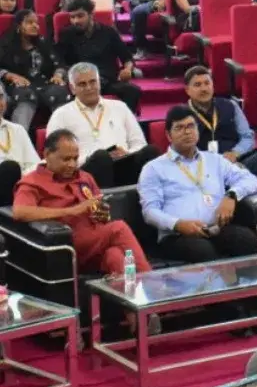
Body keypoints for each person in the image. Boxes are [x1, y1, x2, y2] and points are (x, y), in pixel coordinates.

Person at [14, 129, 152, 296]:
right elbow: (20, 211)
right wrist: (71, 210)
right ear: (47, 154)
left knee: (115, 257)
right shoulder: (32, 182)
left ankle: (141, 317)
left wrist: (103, 214)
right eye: (66, 159)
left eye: (75, 159)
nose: (72, 164)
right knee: (118, 228)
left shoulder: (85, 177)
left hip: (95, 245)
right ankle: (153, 286)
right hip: (67, 247)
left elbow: (98, 210)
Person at [138, 106, 257, 264]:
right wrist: (178, 224)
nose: (187, 132)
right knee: (203, 251)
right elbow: (150, 212)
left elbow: (251, 180)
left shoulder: (214, 160)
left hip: (215, 229)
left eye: (191, 126)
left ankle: (247, 288)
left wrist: (231, 195)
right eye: (179, 128)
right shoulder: (154, 168)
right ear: (168, 135)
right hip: (177, 235)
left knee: (246, 240)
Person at [183, 66, 257, 222]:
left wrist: (236, 153)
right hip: (206, 170)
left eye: (207, 83)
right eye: (197, 85)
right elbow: (183, 150)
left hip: (237, 162)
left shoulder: (229, 106)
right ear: (187, 90)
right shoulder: (182, 115)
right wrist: (217, 162)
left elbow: (247, 136)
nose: (204, 88)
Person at [46, 63, 157, 189]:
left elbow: (140, 144)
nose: (89, 88)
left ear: (99, 83)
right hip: (84, 171)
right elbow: (55, 157)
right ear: (72, 88)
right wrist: (91, 158)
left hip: (123, 164)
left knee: (150, 151)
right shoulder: (61, 115)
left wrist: (126, 153)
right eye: (82, 84)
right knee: (101, 157)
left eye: (93, 82)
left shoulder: (119, 107)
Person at [56, 0, 139, 113]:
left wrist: (127, 69)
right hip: (82, 83)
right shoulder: (66, 34)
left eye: (80, 16)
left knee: (132, 90)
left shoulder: (108, 32)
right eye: (72, 17)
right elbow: (61, 61)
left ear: (91, 15)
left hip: (107, 81)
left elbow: (127, 58)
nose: (75, 21)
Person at [0, 10, 68, 129]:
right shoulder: (6, 45)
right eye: (29, 22)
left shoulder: (43, 43)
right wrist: (10, 75)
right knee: (26, 95)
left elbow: (59, 64)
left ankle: (63, 135)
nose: (35, 26)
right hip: (18, 86)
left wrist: (58, 75)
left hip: (45, 84)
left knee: (59, 91)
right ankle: (19, 138)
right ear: (19, 26)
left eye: (36, 23)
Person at [0, 86, 39, 205]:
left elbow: (34, 164)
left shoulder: (18, 129)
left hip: (23, 188)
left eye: (1, 97)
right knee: (9, 168)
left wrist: (22, 179)